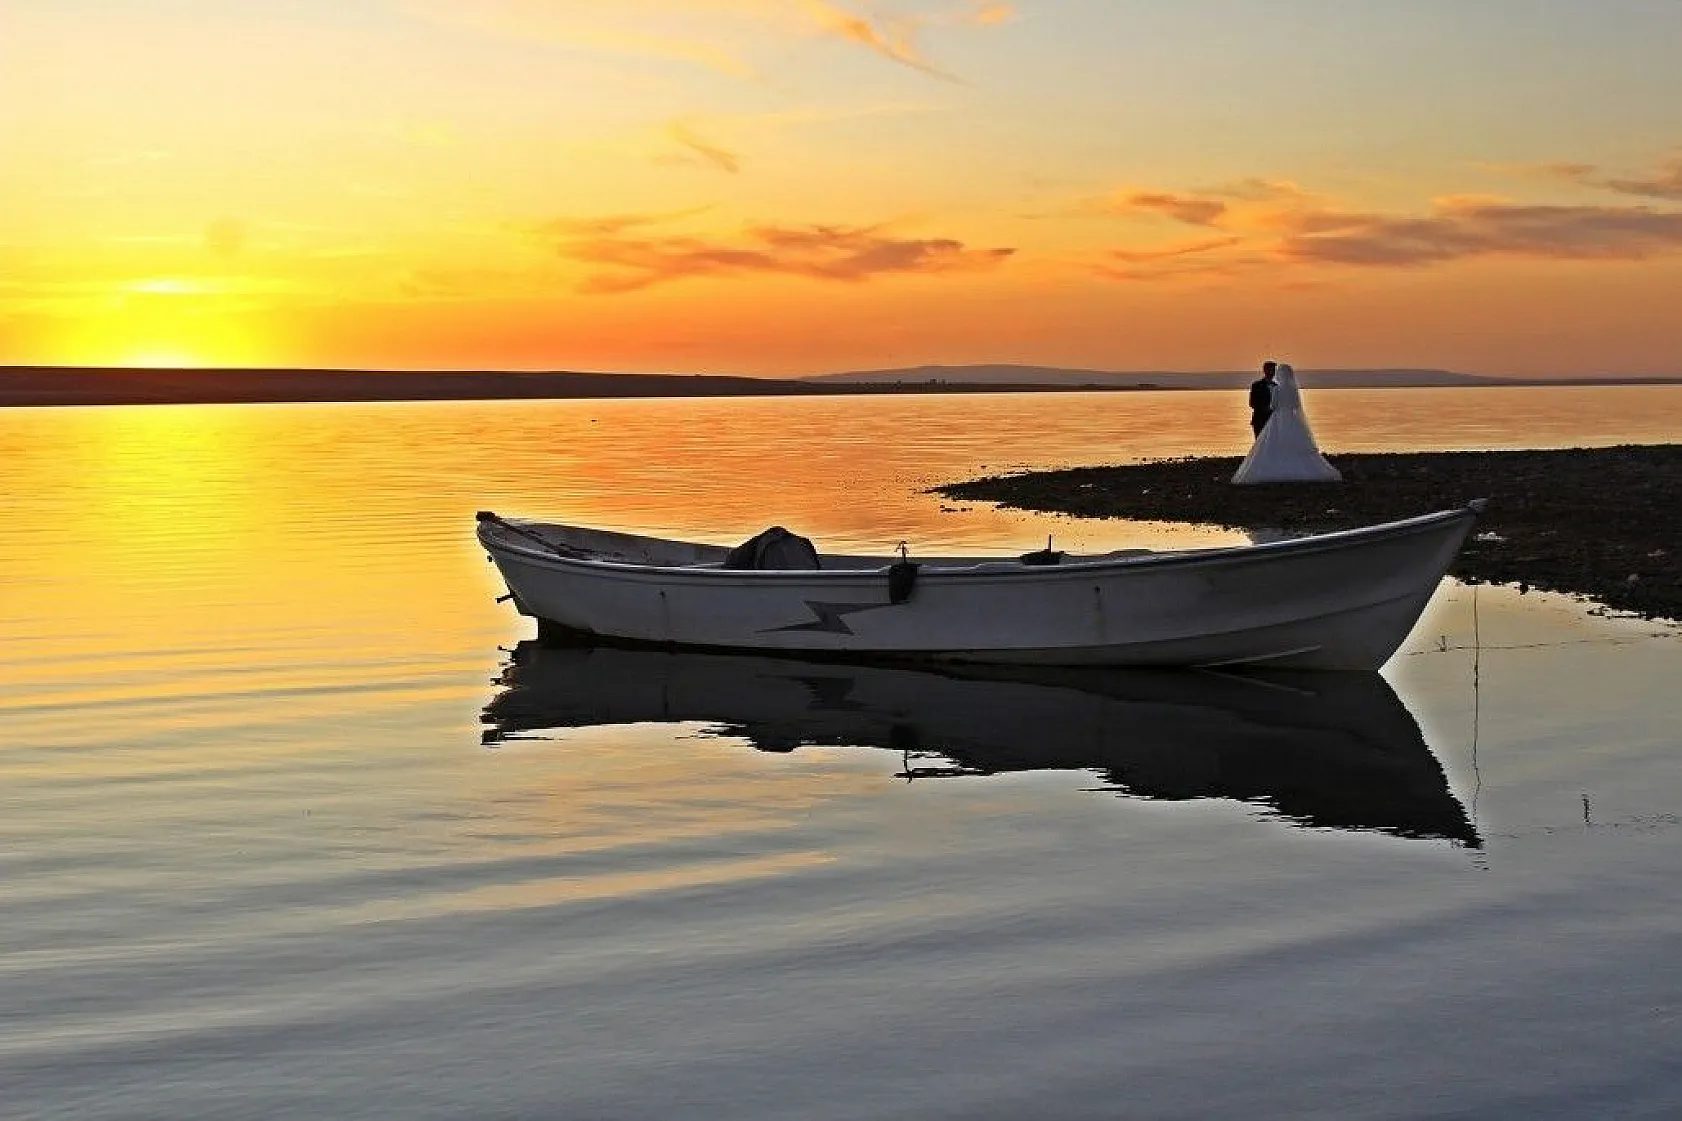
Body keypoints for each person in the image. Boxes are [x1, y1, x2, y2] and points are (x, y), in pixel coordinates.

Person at [1231, 363, 1342, 484]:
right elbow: (1295, 405)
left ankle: (1274, 468)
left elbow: (1273, 406)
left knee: (1272, 443)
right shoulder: (1293, 389)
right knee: (1291, 442)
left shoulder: (1276, 388)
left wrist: (1275, 408)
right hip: (1291, 418)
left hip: (1277, 418)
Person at [1248, 361, 1277, 437]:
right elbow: (1252, 403)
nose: (1272, 372)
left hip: (1274, 421)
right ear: (1265, 370)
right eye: (1270, 370)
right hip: (1259, 420)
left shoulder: (1277, 386)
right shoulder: (1256, 385)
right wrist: (1265, 408)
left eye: (1274, 370)